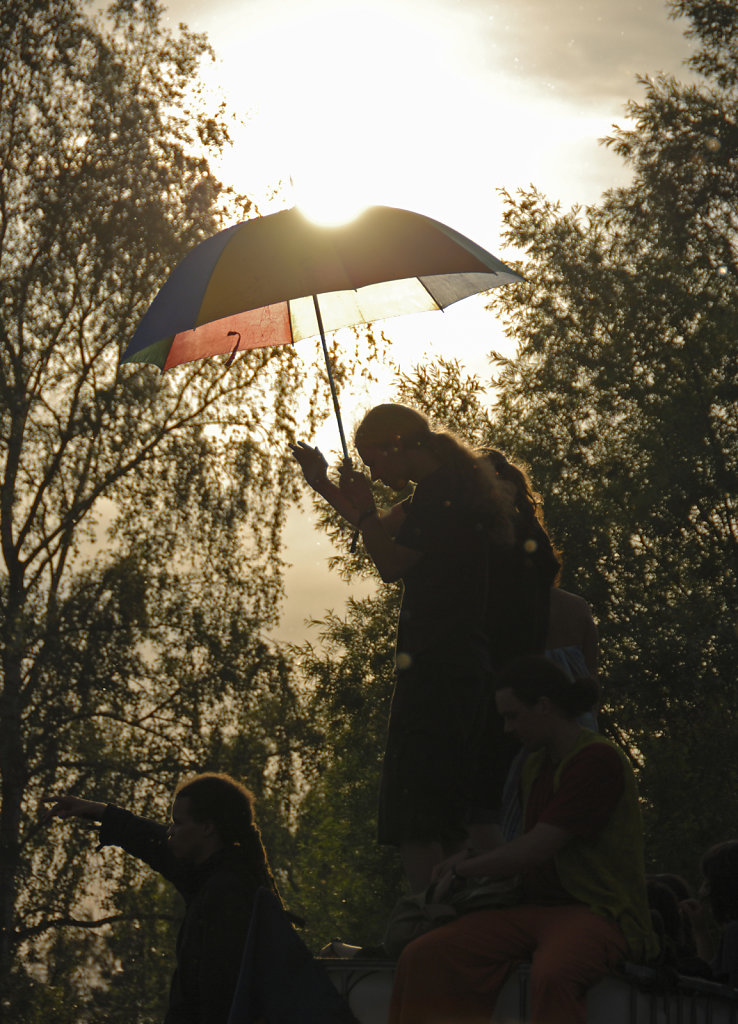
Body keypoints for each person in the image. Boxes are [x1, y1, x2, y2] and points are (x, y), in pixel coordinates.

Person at [291, 404, 514, 890]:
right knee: (447, 804)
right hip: (457, 663)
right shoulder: (441, 492)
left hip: (440, 663)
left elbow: (389, 562)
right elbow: (374, 526)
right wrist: (324, 484)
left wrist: (367, 507)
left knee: (415, 807)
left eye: (373, 461)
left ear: (396, 446)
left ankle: (426, 916)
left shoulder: (442, 500)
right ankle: (457, 906)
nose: (372, 471)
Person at [388, 655, 659, 1024]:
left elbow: (536, 848)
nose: (507, 729)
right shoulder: (535, 764)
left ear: (544, 706)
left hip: (599, 911)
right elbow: (521, 844)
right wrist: (464, 856)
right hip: (534, 909)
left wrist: (463, 869)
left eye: (512, 716)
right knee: (424, 955)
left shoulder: (596, 760)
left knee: (554, 974)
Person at [44, 772, 279, 1024]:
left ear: (208, 828)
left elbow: (219, 995)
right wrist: (100, 811)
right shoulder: (216, 875)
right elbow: (156, 845)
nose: (170, 832)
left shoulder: (227, 893)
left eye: (177, 823)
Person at [682, 840, 738, 987]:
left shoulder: (734, 933)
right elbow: (710, 975)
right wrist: (700, 930)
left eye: (708, 881)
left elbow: (717, 992)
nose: (702, 891)